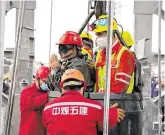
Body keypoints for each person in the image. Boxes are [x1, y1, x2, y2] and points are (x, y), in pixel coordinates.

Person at [43, 69, 125, 135]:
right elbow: (105, 124)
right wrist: (113, 113)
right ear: (83, 88)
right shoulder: (95, 107)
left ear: (62, 88)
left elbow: (46, 125)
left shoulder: (48, 108)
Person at [89, 15, 135, 93]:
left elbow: (121, 87)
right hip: (100, 101)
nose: (97, 39)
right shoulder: (100, 54)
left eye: (99, 34)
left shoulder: (125, 54)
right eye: (96, 35)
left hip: (120, 103)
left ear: (110, 33)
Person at [19, 66, 50, 135]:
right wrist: (49, 96)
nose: (46, 85)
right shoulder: (26, 92)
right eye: (44, 81)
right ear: (37, 79)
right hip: (28, 132)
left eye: (48, 83)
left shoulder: (46, 94)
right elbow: (33, 103)